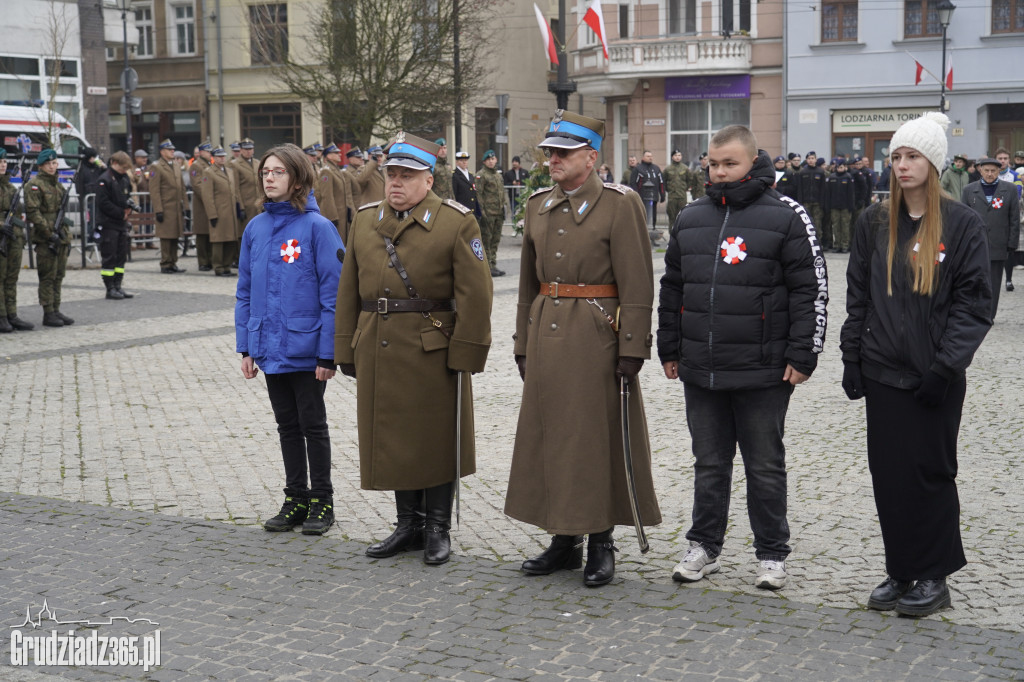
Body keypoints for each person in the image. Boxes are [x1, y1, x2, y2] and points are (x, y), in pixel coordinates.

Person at [657, 125, 827, 591]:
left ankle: (771, 553)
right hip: (702, 367)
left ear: (753, 161)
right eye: (712, 164)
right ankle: (704, 546)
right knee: (709, 463)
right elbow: (673, 287)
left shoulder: (788, 215)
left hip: (764, 368)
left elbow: (810, 291)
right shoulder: (691, 216)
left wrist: (804, 353)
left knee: (764, 465)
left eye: (729, 163)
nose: (719, 172)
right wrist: (668, 347)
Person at [840, 112, 992, 618]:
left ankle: (933, 575)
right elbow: (858, 293)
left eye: (913, 156)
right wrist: (852, 356)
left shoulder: (963, 224)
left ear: (933, 162)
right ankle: (901, 569)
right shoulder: (873, 222)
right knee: (889, 475)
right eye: (897, 156)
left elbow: (974, 305)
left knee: (930, 472)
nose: (902, 165)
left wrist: (946, 367)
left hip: (934, 377)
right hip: (883, 371)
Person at [504, 110, 661, 588]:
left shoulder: (620, 204)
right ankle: (562, 538)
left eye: (564, 153)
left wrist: (632, 346)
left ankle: (600, 541)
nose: (552, 159)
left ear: (590, 158)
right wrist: (521, 342)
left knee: (595, 440)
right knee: (549, 436)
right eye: (550, 151)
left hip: (597, 337)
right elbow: (528, 284)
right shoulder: (536, 205)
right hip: (547, 333)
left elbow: (637, 280)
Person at [334, 132, 492, 566]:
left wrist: (467, 351)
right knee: (394, 437)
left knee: (436, 439)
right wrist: (345, 347)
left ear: (428, 181)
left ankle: (437, 527)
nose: (396, 183)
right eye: (391, 174)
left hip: (432, 347)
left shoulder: (456, 221)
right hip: (379, 346)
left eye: (407, 175)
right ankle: (408, 525)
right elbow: (348, 289)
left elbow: (476, 294)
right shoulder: (366, 220)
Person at [236, 143, 343, 536]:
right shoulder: (255, 228)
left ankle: (322, 501)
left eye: (278, 171)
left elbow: (334, 296)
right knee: (286, 426)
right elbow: (245, 292)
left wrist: (328, 354)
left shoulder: (318, 228)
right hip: (269, 347)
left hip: (307, 349)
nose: (269, 177)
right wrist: (247, 346)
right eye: (266, 171)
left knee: (313, 425)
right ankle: (295, 498)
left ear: (297, 179)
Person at [961, 157, 1019, 310]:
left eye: (993, 171)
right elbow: (962, 219)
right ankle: (975, 311)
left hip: (998, 244)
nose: (989, 174)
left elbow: (1014, 218)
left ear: (999, 171)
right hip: (974, 245)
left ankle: (990, 314)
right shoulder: (969, 190)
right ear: (980, 170)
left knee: (993, 283)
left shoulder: (1010, 190)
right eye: (986, 170)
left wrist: (1012, 243)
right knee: (974, 281)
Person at [26, 149, 74, 328]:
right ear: (41, 165)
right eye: (49, 164)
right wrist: (48, 233)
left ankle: (56, 308)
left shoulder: (57, 185)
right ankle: (48, 312)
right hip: (46, 237)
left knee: (59, 275)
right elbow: (33, 212)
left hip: (60, 236)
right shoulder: (34, 185)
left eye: (54, 163)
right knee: (47, 275)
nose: (52, 167)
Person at [95, 151, 137, 300]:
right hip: (109, 224)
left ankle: (118, 285)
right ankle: (109, 288)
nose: (125, 171)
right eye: (123, 167)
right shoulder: (104, 179)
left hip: (121, 223)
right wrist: (121, 213)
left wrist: (129, 208)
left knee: (121, 257)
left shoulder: (123, 178)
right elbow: (103, 203)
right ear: (114, 163)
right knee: (110, 257)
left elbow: (126, 197)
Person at [0, 149, 32, 332]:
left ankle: (12, 314)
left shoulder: (11, 188)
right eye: (0, 162)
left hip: (13, 237)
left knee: (12, 277)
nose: (3, 164)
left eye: (4, 161)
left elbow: (18, 213)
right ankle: (2, 316)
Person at [198, 147, 241, 277]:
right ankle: (218, 266)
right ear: (213, 158)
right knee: (219, 240)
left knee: (231, 240)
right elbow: (207, 196)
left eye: (223, 156)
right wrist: (212, 215)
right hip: (219, 212)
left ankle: (227, 265)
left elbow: (235, 191)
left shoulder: (229, 171)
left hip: (231, 212)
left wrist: (239, 207)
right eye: (218, 157)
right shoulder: (209, 172)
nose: (222, 158)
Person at [150, 139, 187, 274]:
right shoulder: (157, 167)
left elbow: (181, 187)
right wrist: (158, 210)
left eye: (173, 149)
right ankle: (165, 263)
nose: (172, 151)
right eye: (169, 150)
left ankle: (173, 262)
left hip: (176, 208)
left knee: (175, 235)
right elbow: (155, 191)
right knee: (166, 237)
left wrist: (186, 206)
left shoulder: (176, 165)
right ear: (162, 152)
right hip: (165, 207)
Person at [475, 149, 506, 277]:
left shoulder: (498, 176)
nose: (491, 161)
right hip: (488, 213)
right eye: (489, 160)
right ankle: (487, 266)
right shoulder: (481, 175)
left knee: (495, 240)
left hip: (498, 212)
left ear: (496, 160)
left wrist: (504, 208)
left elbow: (502, 194)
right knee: (486, 241)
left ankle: (493, 264)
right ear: (484, 161)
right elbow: (479, 194)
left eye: (493, 159)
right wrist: (482, 212)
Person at [321, 143, 355, 243]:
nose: (339, 154)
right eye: (336, 153)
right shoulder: (326, 172)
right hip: (335, 216)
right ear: (329, 156)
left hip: (342, 215)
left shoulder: (336, 170)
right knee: (335, 244)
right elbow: (327, 196)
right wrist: (332, 217)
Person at [630, 150, 666, 240]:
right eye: (648, 156)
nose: (650, 157)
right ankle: (642, 237)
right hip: (642, 198)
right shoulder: (638, 169)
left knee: (653, 216)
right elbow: (633, 183)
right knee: (643, 216)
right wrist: (636, 196)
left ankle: (652, 237)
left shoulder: (656, 168)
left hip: (653, 197)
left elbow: (661, 182)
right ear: (643, 157)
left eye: (651, 156)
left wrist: (662, 194)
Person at [189, 142, 214, 271]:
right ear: (201, 152)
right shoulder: (196, 165)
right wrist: (209, 196)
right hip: (201, 205)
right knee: (202, 234)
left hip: (210, 203)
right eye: (208, 151)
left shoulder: (210, 164)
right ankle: (203, 261)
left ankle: (210, 260)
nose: (210, 154)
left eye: (210, 152)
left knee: (210, 233)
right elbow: (197, 185)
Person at [823, 157, 856, 253]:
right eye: (838, 167)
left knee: (845, 226)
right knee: (836, 226)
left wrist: (851, 206)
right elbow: (828, 193)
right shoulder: (832, 177)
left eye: (841, 167)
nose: (839, 169)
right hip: (834, 206)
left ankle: (845, 245)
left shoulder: (848, 177)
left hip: (845, 206)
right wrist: (828, 206)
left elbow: (851, 194)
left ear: (845, 167)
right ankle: (837, 245)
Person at [664, 149, 691, 226]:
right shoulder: (667, 169)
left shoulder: (685, 168)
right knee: (672, 217)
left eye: (679, 155)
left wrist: (684, 188)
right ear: (672, 157)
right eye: (676, 155)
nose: (677, 157)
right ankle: (671, 234)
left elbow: (689, 180)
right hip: (672, 197)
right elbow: (664, 181)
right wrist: (669, 189)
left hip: (682, 197)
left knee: (682, 216)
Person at [452, 150, 477, 214]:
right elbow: (454, 193)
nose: (464, 162)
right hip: (462, 209)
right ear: (457, 162)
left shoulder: (470, 175)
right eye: (461, 160)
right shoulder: (455, 175)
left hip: (472, 210)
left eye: (465, 160)